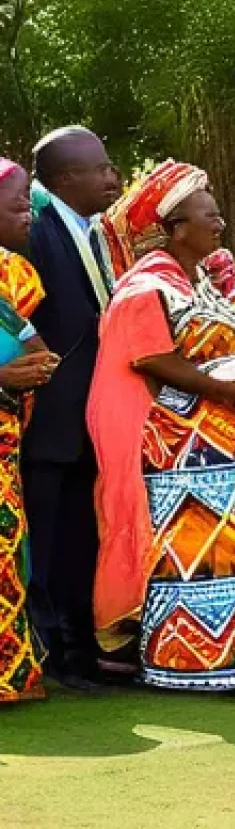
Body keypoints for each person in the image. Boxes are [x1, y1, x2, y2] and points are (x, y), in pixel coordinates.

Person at [89, 160, 235, 690]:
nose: (220, 223)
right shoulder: (147, 287)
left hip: (230, 437)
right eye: (208, 215)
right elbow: (151, 358)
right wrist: (224, 388)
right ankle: (191, 658)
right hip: (180, 443)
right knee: (192, 547)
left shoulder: (204, 281)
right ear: (175, 227)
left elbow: (221, 345)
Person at [23, 126, 120, 688]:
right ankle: (49, 657)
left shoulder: (95, 233)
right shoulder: (36, 230)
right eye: (102, 168)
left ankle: (81, 652)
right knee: (49, 542)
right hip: (48, 419)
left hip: (90, 419)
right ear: (65, 179)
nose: (113, 177)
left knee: (82, 539)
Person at [0, 160, 61, 703]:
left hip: (5, 439)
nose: (29, 212)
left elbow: (30, 342)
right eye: (19, 203)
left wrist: (34, 371)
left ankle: (11, 671)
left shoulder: (17, 276)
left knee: (6, 548)